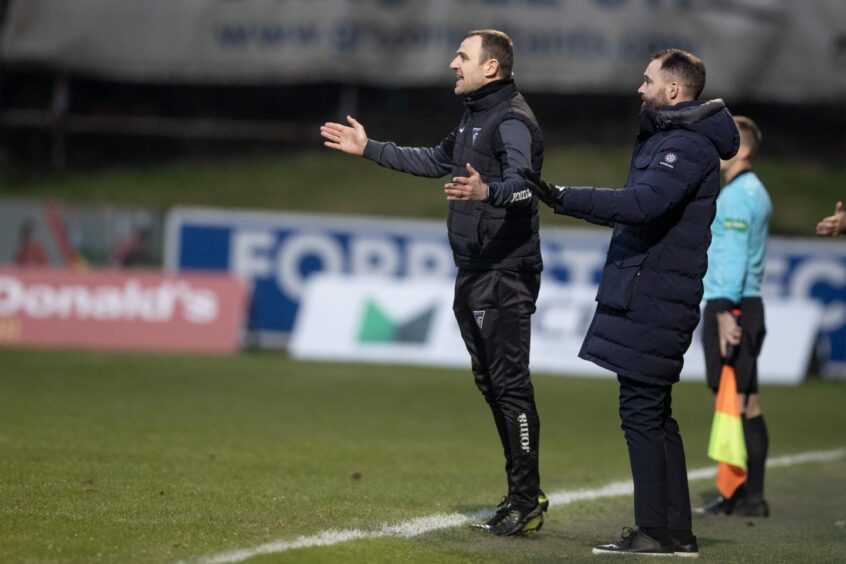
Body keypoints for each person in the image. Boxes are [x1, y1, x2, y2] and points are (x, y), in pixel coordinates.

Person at [320, 29, 548, 536]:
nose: (452, 63)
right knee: (491, 385)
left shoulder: (511, 120)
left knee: (509, 387)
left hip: (504, 272)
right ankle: (521, 494)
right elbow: (434, 160)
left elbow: (525, 189)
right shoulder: (475, 114)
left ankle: (526, 499)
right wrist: (370, 148)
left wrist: (488, 190)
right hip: (474, 269)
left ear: (491, 67)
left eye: (462, 56)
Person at [523, 49, 739, 556]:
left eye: (647, 81)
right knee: (654, 411)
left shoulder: (684, 146)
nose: (639, 89)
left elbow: (641, 205)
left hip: (656, 294)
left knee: (641, 410)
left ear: (673, 91)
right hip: (658, 291)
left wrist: (561, 196)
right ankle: (674, 529)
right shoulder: (677, 140)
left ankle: (654, 531)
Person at [697, 116, 772, 518]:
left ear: (740, 149)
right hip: (744, 302)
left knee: (735, 403)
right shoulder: (750, 191)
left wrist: (726, 312)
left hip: (734, 304)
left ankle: (744, 496)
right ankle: (745, 494)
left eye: (724, 142)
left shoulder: (740, 196)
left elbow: (737, 255)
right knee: (746, 402)